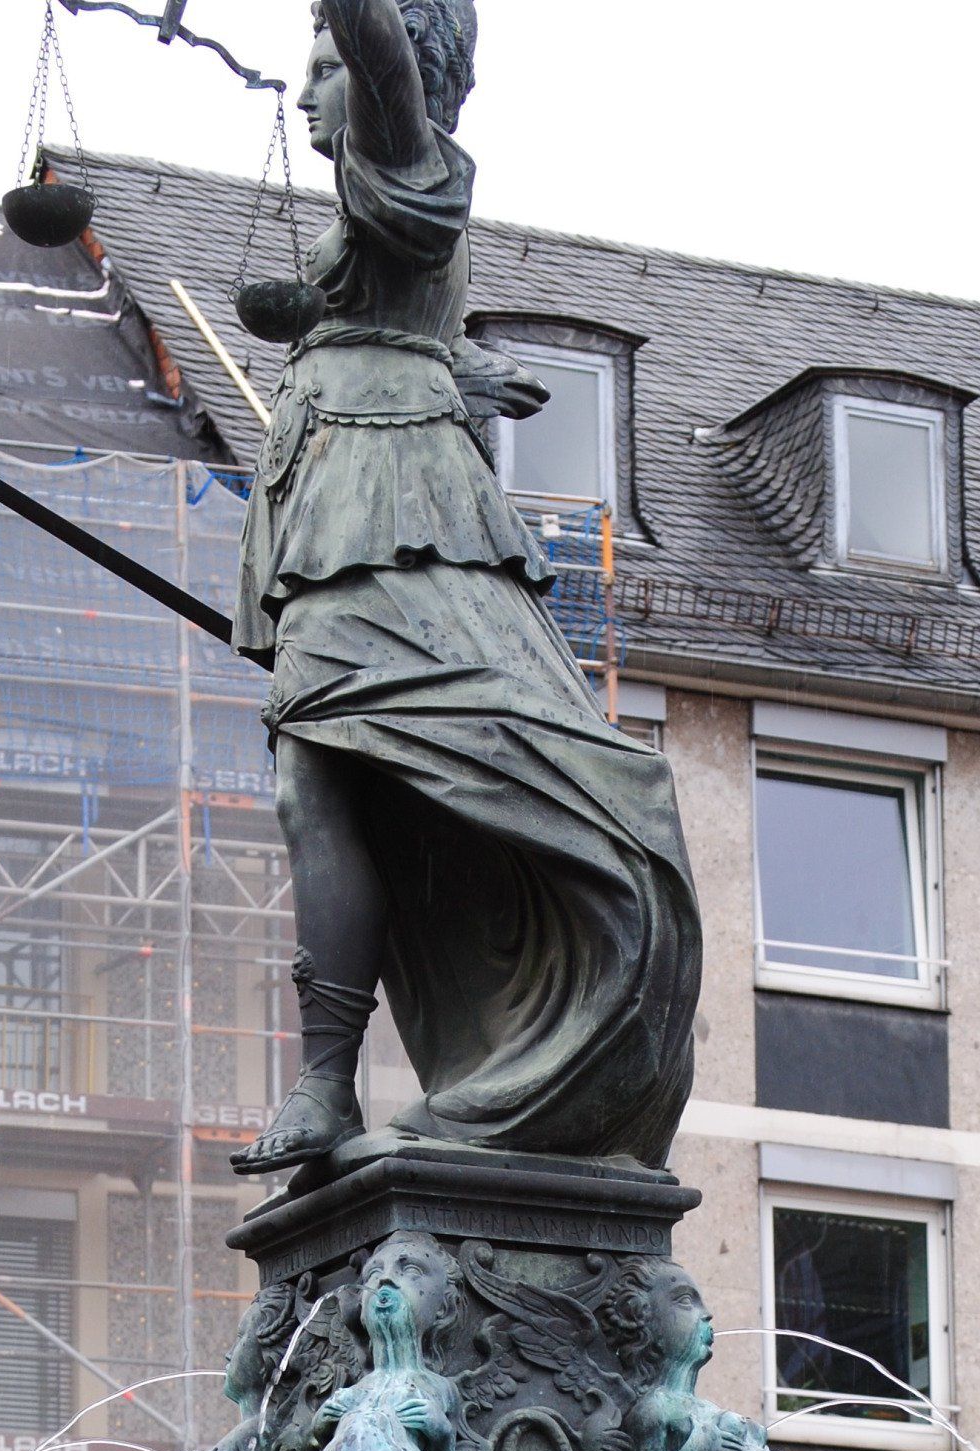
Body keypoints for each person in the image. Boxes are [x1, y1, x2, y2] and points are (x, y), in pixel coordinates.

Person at [229, 0, 701, 1178]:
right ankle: (330, 1085)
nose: (305, 96)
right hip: (338, 493)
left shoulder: (407, 153)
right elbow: (411, 324)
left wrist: (364, 30)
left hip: (390, 515)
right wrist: (459, 366)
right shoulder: (374, 207)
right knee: (327, 783)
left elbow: (380, 44)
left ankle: (325, 1083)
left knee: (322, 778)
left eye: (325, 68)